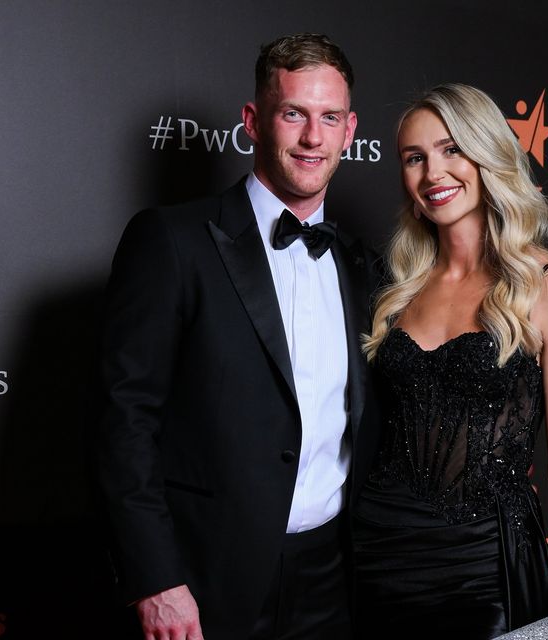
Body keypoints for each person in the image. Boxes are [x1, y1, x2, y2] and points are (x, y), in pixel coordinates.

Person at [96, 34, 382, 640]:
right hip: (205, 580)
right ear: (253, 121)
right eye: (293, 114)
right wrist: (155, 579)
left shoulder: (363, 267)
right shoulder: (171, 241)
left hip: (335, 580)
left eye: (330, 117)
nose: (313, 137)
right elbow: (124, 421)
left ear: (350, 130)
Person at [353, 84, 548, 640]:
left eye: (451, 150)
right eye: (414, 158)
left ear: (487, 153)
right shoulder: (399, 287)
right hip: (379, 553)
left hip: (484, 562)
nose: (433, 173)